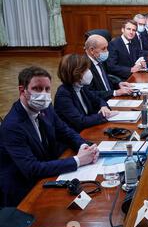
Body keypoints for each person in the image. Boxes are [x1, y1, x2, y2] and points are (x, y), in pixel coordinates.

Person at [0, 67, 99, 206]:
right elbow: (31, 168)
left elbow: (65, 131)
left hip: (47, 174)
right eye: (37, 89)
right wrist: (78, 160)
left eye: (47, 89)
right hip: (24, 191)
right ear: (22, 91)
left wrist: (84, 146)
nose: (44, 94)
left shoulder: (46, 107)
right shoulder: (12, 125)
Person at [54, 54, 117, 132]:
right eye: (85, 70)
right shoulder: (63, 94)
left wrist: (103, 107)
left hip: (90, 129)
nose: (89, 72)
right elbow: (80, 122)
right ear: (75, 73)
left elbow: (98, 100)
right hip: (76, 136)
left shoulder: (82, 86)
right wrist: (103, 115)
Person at [84, 34, 133, 101]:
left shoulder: (99, 59)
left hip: (112, 99)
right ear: (92, 50)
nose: (107, 51)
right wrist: (115, 92)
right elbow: (90, 93)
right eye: (103, 49)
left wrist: (118, 84)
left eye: (107, 48)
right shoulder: (84, 67)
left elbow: (105, 79)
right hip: (100, 104)